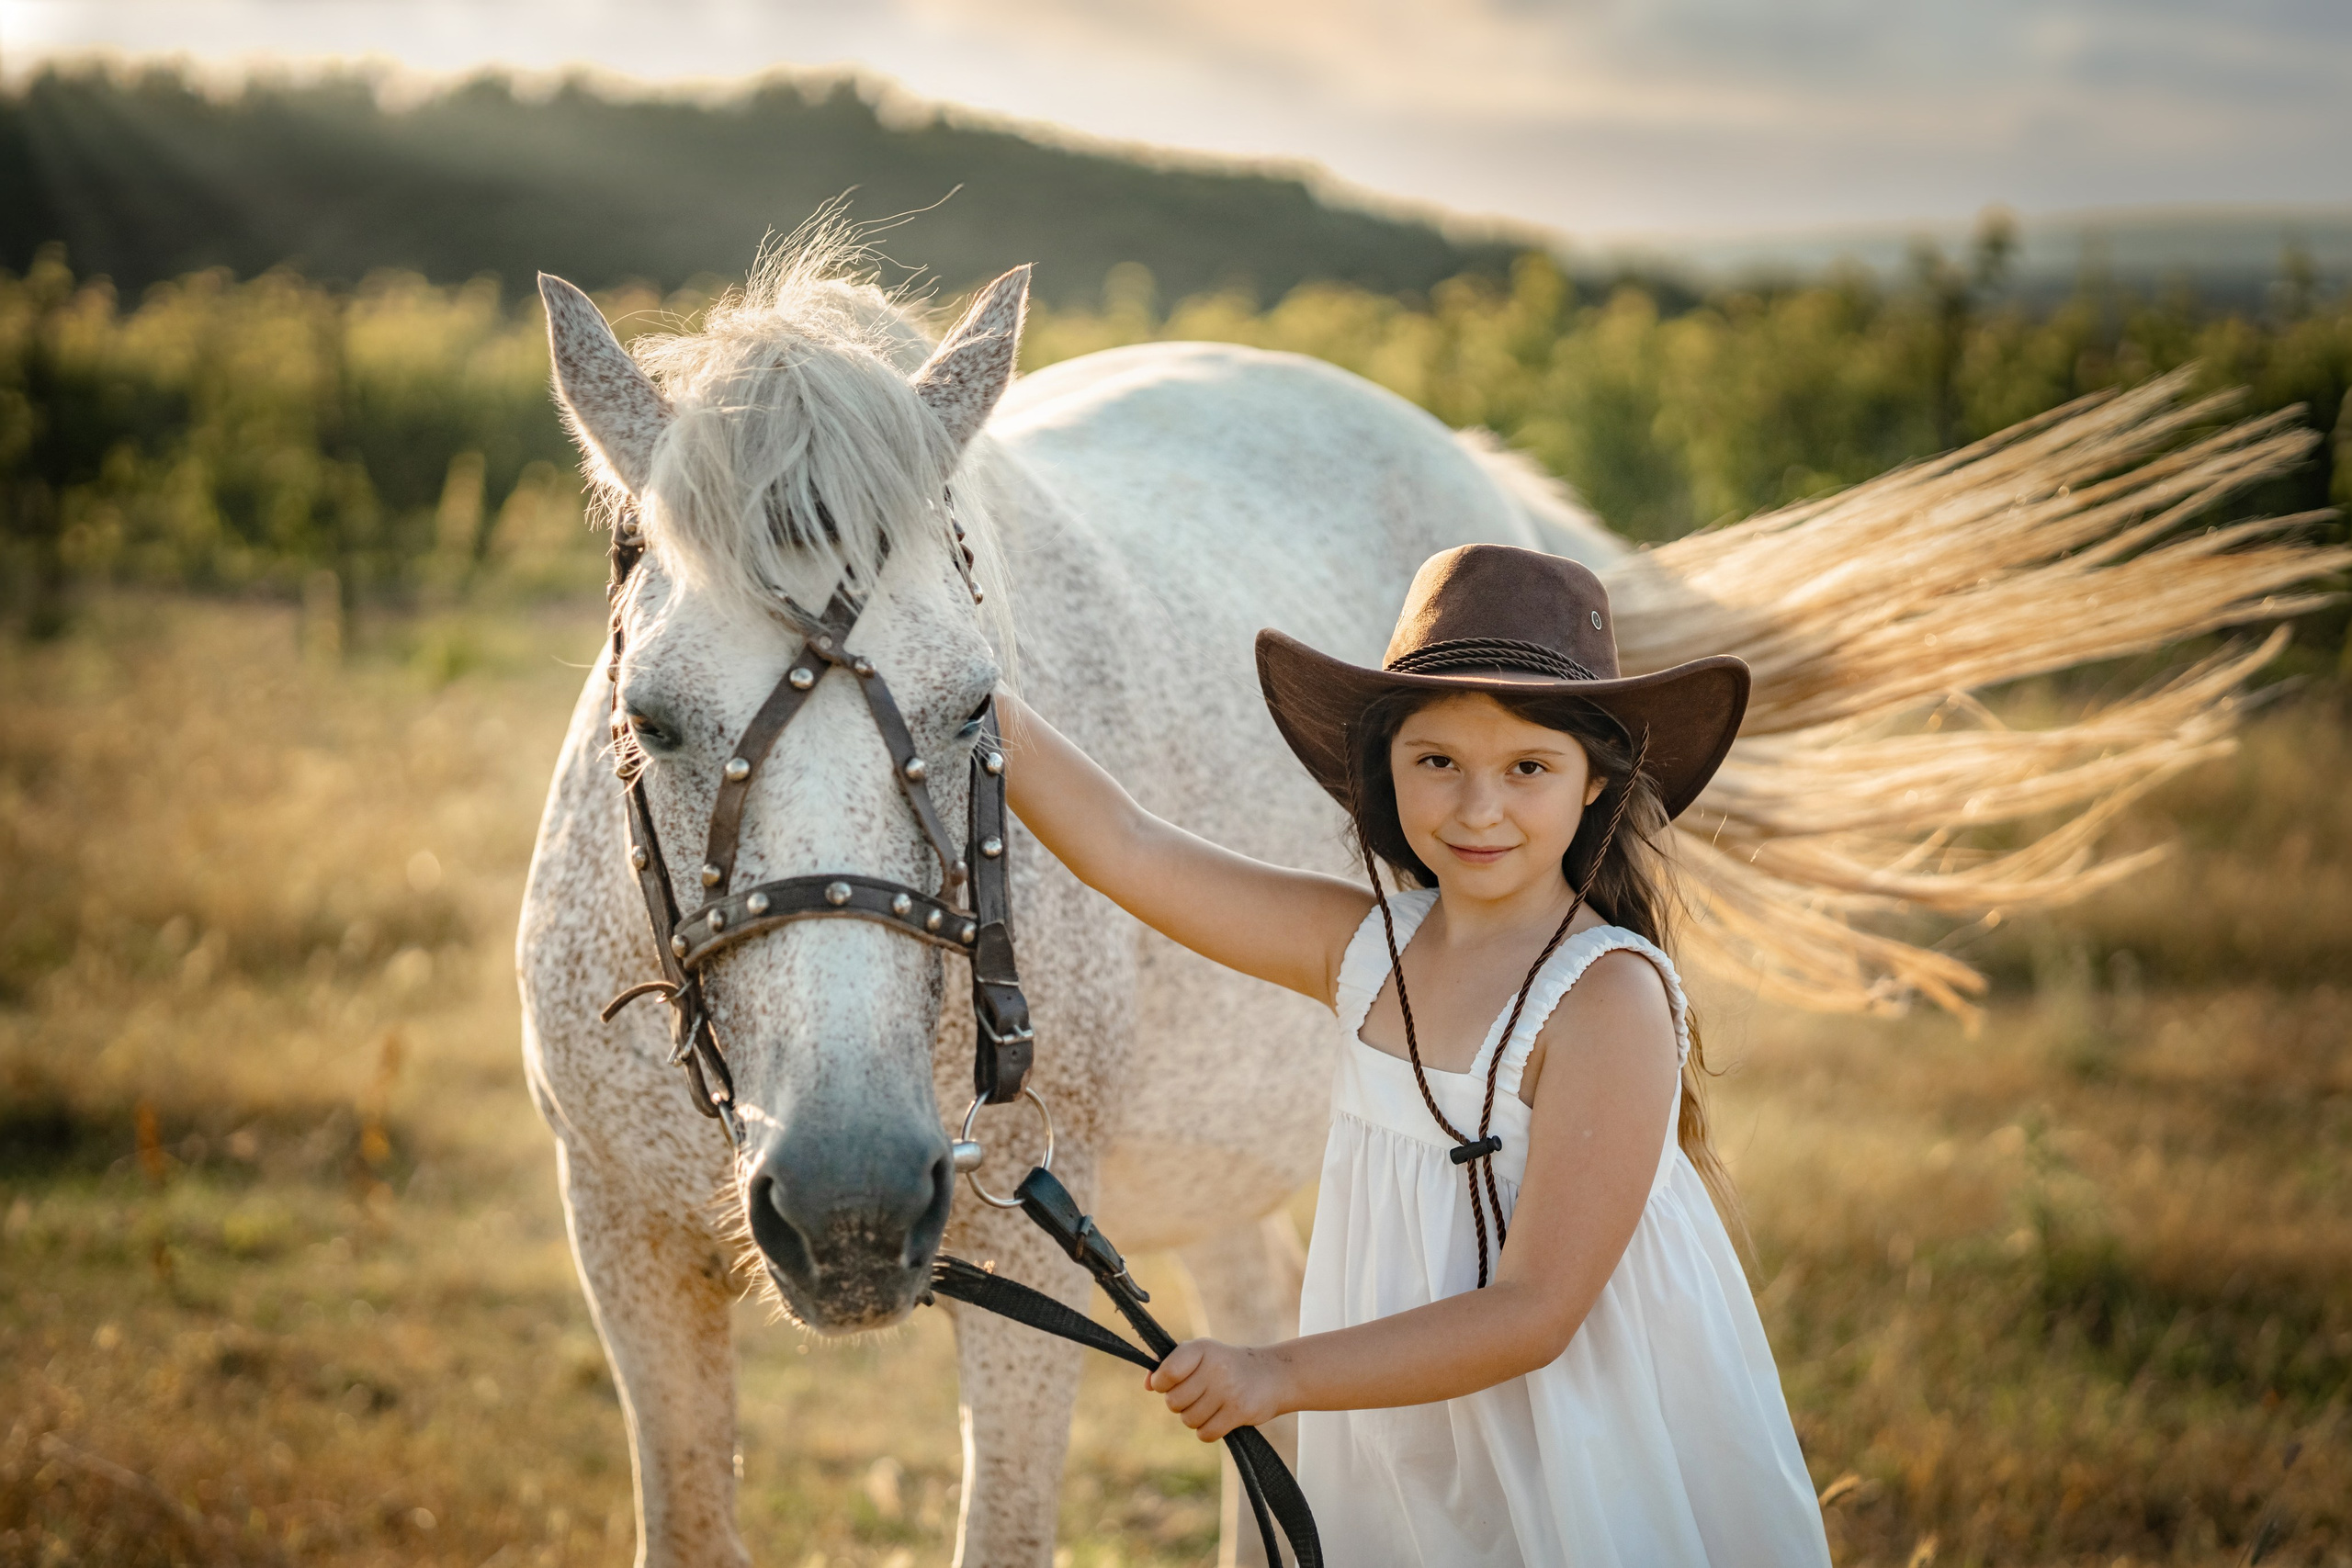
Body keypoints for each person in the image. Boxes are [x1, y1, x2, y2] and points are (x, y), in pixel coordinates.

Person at [1000, 543, 1832, 1565]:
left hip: (1577, 1432)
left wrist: (1278, 1372)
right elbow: (1129, 846)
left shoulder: (1603, 996)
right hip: (1402, 1418)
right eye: (1436, 762)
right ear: (1384, 770)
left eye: (1527, 768)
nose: (1477, 809)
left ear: (1595, 783)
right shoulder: (1363, 951)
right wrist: (964, 684)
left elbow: (1535, 1314)